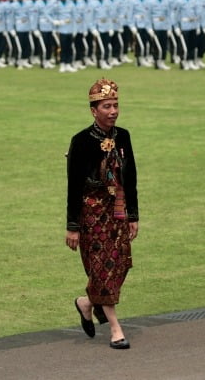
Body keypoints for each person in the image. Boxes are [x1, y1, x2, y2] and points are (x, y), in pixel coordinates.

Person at [66, 78, 139, 350]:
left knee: (120, 265)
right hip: (91, 215)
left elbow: (130, 177)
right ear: (93, 110)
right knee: (103, 269)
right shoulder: (81, 141)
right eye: (107, 106)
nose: (113, 111)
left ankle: (86, 303)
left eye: (116, 105)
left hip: (118, 212)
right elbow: (73, 186)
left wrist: (133, 214)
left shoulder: (124, 136)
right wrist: (72, 225)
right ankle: (116, 329)